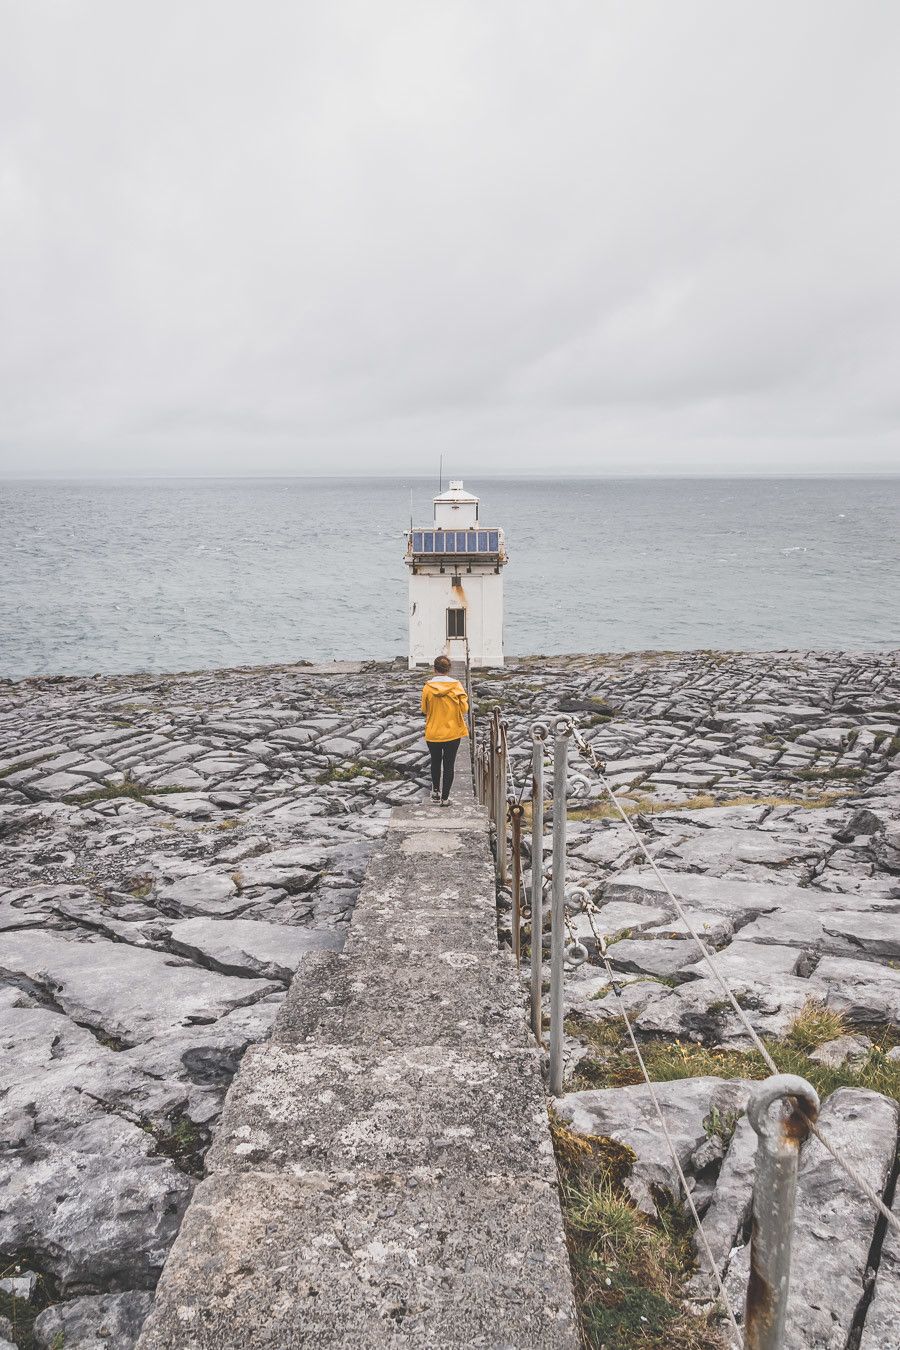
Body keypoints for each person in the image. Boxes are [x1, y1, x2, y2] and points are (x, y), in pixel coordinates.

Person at [421, 654, 469, 805]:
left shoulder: (428, 688)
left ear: (434, 669)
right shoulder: (456, 686)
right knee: (449, 765)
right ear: (449, 669)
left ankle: (435, 791)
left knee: (435, 762)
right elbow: (464, 709)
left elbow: (424, 709)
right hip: (453, 732)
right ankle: (445, 798)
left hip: (433, 732)